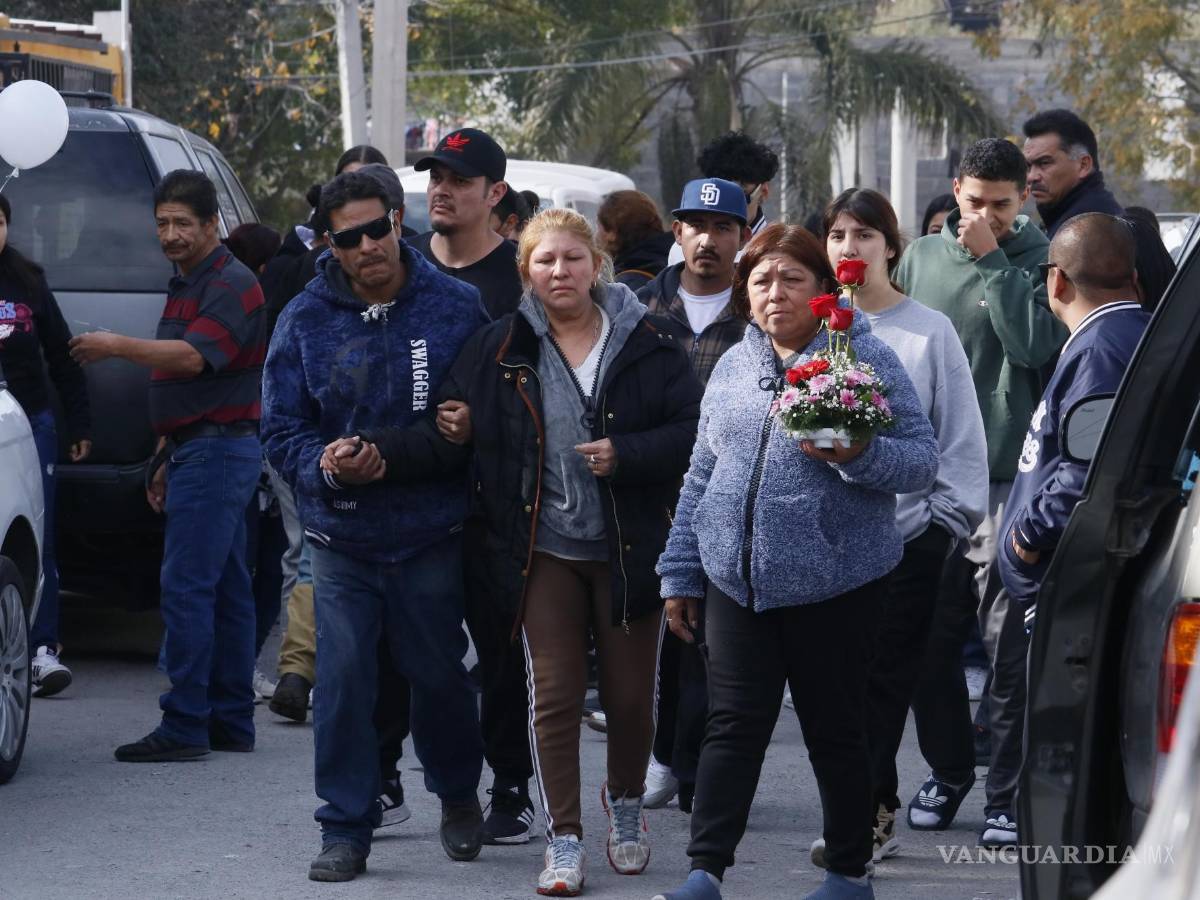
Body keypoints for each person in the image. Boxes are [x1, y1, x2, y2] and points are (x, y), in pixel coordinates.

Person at [327, 208, 703, 896]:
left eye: (571, 259)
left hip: (627, 548)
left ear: (596, 265)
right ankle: (564, 837)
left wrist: (628, 453)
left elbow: (692, 433)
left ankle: (623, 807)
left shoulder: (651, 338)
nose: (559, 272)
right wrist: (388, 449)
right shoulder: (498, 346)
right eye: (544, 261)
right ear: (525, 271)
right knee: (554, 695)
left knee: (627, 699)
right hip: (540, 549)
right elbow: (444, 431)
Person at [651, 223, 938, 900]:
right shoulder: (731, 365)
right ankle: (704, 873)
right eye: (760, 281)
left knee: (837, 729)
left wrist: (858, 457)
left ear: (822, 290)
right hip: (736, 582)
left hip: (837, 581)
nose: (774, 293)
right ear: (745, 295)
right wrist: (681, 572)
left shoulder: (862, 360)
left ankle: (847, 874)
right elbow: (702, 473)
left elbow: (920, 458)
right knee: (731, 726)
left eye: (791, 279)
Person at [260, 171, 487, 882]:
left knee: (438, 676)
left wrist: (471, 422)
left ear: (397, 222)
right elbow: (279, 426)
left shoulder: (457, 305)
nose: (367, 247)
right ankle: (345, 827)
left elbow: (494, 396)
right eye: (348, 238)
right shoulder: (303, 317)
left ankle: (455, 793)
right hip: (342, 537)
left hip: (430, 532)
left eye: (376, 228)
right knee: (347, 681)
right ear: (330, 244)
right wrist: (325, 464)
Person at [894, 138, 1066, 828]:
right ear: (956, 191)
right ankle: (949, 770)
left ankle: (1007, 793)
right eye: (975, 203)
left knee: (1007, 645)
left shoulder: (1044, 257)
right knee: (927, 644)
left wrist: (995, 261)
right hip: (929, 482)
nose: (988, 216)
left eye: (1002, 204)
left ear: (1023, 196)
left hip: (1009, 481)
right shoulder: (921, 259)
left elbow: (1034, 347)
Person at [816, 189, 987, 868]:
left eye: (863, 234)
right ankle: (873, 809)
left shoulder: (929, 331)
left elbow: (960, 437)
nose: (849, 248)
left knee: (884, 686)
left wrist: (946, 523)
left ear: (892, 246)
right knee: (837, 689)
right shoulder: (819, 325)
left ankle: (860, 825)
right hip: (824, 545)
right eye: (836, 234)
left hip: (910, 540)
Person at [70, 170, 266, 761]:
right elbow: (184, 388)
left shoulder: (232, 283)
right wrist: (164, 455)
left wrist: (114, 345)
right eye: (163, 223)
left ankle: (184, 724)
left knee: (185, 588)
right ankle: (230, 719)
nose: (172, 234)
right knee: (228, 590)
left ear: (213, 224)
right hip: (197, 447)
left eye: (184, 223)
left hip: (219, 451)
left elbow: (188, 360)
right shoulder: (187, 281)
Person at [984, 214, 1150, 848]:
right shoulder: (1116, 332)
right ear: (1133, 279)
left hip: (1067, 586)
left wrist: (1028, 537)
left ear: (1054, 282)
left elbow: (1086, 465)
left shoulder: (1105, 345)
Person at [635, 178, 751, 813]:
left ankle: (701, 764)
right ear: (677, 231)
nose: (709, 239)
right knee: (654, 636)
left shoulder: (758, 312)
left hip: (727, 497)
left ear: (743, 236)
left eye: (724, 227)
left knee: (713, 645)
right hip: (648, 494)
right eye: (696, 225)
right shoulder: (636, 306)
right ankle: (659, 757)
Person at [0, 193, 92, 697]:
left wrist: (78, 424)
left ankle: (39, 649)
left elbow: (62, 357)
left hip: (29, 426)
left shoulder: (28, 281)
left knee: (36, 537)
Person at [408, 128, 523, 320]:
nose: (441, 190)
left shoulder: (523, 273)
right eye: (435, 178)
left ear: (495, 193)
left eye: (459, 181)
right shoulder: (404, 260)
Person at [667, 131, 779, 266]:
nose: (728, 203)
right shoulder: (682, 249)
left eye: (740, 190)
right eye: (719, 190)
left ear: (764, 191)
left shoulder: (778, 250)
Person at [1022, 109, 1123, 239]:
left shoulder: (1090, 229)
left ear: (1083, 165)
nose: (1031, 177)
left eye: (1044, 163)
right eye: (1028, 166)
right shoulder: (1068, 219)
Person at [596, 190, 674, 292]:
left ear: (612, 233)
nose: (596, 235)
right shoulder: (681, 263)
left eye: (598, 227)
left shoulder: (624, 288)